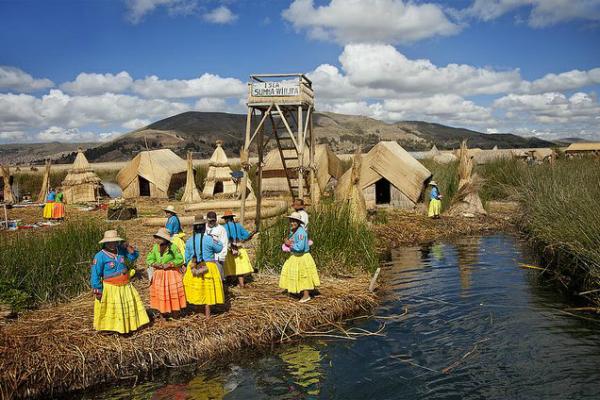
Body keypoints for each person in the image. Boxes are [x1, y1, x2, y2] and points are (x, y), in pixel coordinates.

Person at [91, 230, 149, 334]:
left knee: (124, 307)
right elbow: (95, 274)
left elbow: (133, 256)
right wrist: (98, 289)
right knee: (113, 309)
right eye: (109, 242)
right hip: (111, 288)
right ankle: (111, 329)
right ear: (105, 243)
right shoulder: (100, 256)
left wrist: (127, 246)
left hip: (125, 286)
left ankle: (127, 326)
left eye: (114, 241)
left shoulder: (121, 251)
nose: (112, 244)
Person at [183, 215, 225, 318]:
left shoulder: (189, 240)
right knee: (207, 290)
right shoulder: (209, 239)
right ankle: (207, 315)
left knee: (198, 288)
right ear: (204, 227)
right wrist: (214, 239)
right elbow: (219, 248)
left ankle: (198, 311)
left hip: (193, 266)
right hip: (208, 267)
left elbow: (187, 256)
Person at [279, 212, 320, 303]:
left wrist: (289, 244)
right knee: (293, 273)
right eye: (291, 221)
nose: (292, 223)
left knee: (303, 275)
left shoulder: (301, 233)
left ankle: (306, 295)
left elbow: (300, 247)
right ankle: (296, 291)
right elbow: (293, 240)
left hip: (302, 257)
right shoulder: (293, 230)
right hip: (295, 256)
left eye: (295, 221)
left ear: (299, 222)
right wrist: (288, 241)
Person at [146, 227, 187, 316]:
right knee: (161, 294)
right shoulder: (155, 248)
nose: (157, 240)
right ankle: (162, 314)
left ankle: (174, 313)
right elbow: (149, 258)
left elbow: (180, 259)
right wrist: (154, 264)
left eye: (159, 238)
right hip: (159, 275)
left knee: (171, 293)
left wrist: (170, 264)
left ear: (165, 239)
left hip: (171, 274)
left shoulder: (173, 247)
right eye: (157, 237)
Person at [222, 210, 254, 288]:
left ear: (225, 219)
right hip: (239, 249)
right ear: (232, 218)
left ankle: (229, 284)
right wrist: (241, 238)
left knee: (228, 267)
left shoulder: (223, 227)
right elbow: (247, 236)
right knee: (240, 268)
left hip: (229, 250)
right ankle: (241, 284)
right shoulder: (238, 226)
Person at [206, 211, 228, 281]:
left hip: (217, 257)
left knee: (218, 277)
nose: (212, 222)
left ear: (216, 220)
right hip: (206, 257)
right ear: (207, 219)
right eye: (210, 221)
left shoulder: (221, 229)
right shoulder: (203, 228)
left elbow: (224, 243)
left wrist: (222, 256)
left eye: (213, 221)